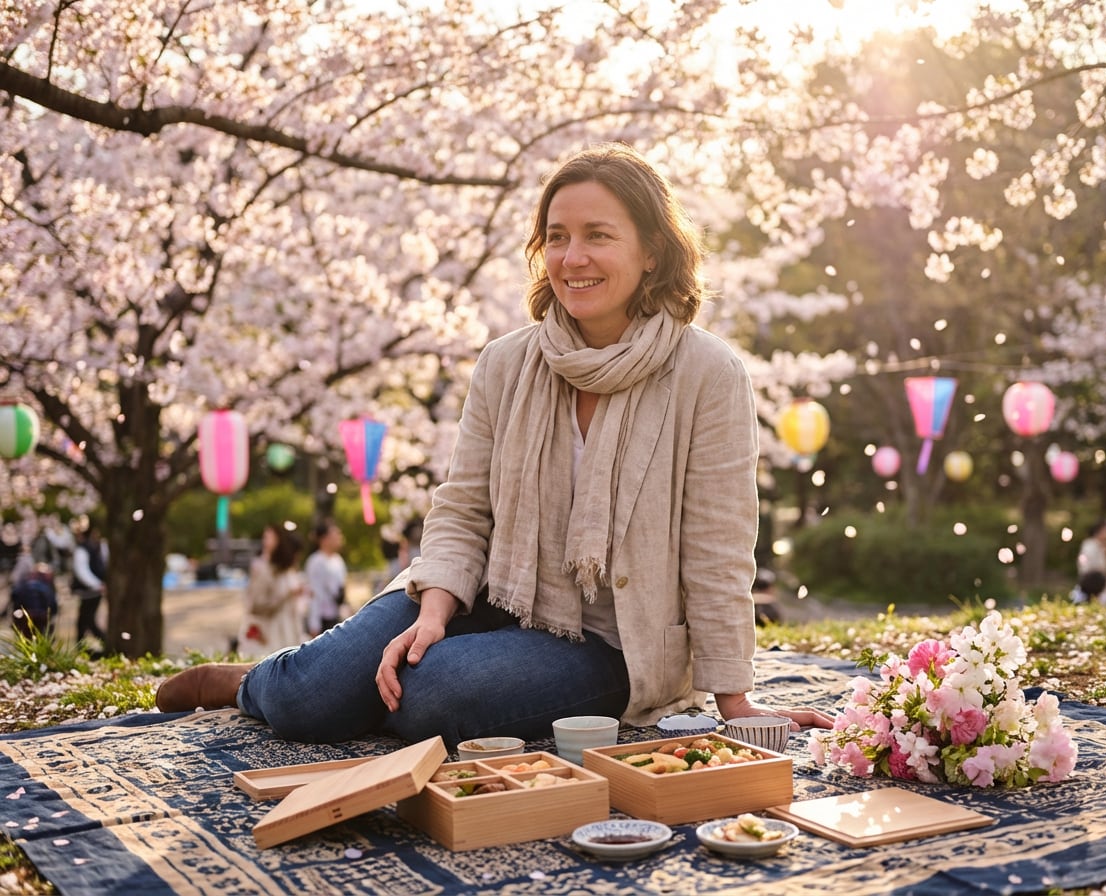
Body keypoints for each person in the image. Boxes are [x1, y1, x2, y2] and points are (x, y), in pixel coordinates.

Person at [155, 143, 833, 745]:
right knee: (309, 697)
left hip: (609, 642)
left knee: (432, 697)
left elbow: (718, 547)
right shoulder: (508, 363)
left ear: (652, 249)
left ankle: (350, 690)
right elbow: (464, 507)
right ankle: (260, 682)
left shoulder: (709, 374)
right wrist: (434, 613)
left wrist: (733, 699)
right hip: (489, 590)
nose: (574, 258)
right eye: (558, 237)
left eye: (599, 235)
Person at [237, 525, 308, 659]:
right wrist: (286, 594)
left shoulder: (287, 571)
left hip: (288, 634)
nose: (266, 542)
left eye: (270, 538)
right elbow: (255, 605)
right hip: (270, 637)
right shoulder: (264, 570)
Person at [303, 520, 347, 636]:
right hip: (322, 617)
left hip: (335, 615)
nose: (339, 538)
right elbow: (315, 593)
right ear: (324, 539)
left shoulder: (338, 560)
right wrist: (314, 623)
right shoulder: (316, 562)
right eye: (335, 534)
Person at [70, 520, 107, 645]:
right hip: (91, 588)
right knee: (83, 620)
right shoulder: (90, 548)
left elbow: (82, 570)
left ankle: (106, 642)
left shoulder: (87, 548)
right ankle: (80, 645)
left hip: (92, 589)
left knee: (88, 620)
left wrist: (96, 585)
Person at [9, 562, 58, 638]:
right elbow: (53, 604)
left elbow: (15, 596)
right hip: (41, 617)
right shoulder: (47, 587)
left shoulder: (24, 583)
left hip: (27, 616)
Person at [1075, 521, 1106, 603]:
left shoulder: (1100, 546)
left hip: (1100, 583)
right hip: (1093, 584)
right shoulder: (1090, 545)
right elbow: (1085, 564)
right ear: (1098, 532)